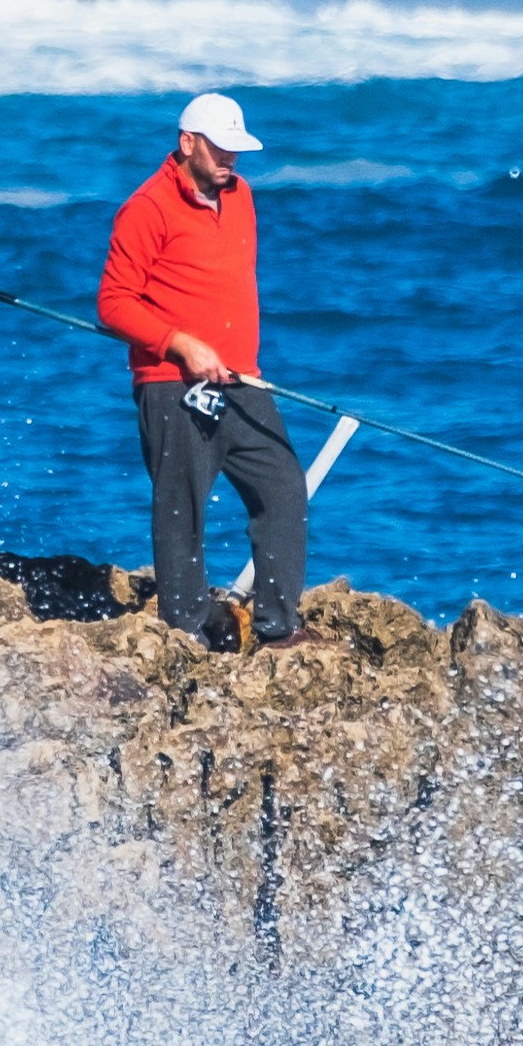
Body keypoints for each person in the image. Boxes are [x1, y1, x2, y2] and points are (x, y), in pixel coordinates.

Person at [96, 90, 307, 648]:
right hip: (174, 386)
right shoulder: (148, 207)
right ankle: (186, 629)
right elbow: (114, 302)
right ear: (187, 143)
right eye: (219, 148)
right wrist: (180, 343)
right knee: (180, 508)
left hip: (242, 380)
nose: (230, 159)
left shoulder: (242, 196)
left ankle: (279, 628)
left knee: (284, 487)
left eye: (237, 149)